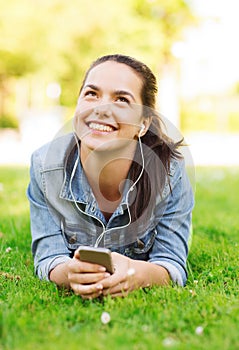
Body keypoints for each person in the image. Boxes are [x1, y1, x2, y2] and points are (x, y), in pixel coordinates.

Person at [27, 54, 194, 299]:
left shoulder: (170, 171)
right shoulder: (45, 167)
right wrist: (70, 274)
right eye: (92, 94)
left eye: (122, 99)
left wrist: (136, 273)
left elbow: (172, 264)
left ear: (143, 123)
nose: (101, 108)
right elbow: (49, 257)